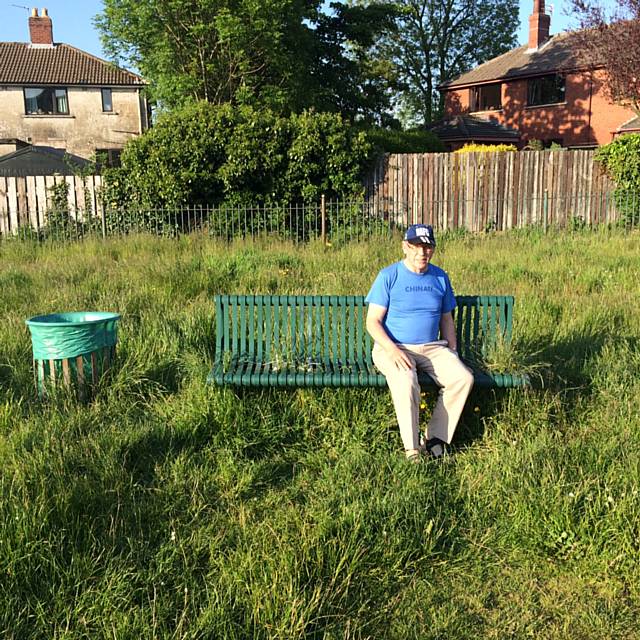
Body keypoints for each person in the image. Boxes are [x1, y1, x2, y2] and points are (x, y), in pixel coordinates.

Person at [365, 224, 474, 462]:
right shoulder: (388, 276)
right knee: (406, 382)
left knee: (463, 378)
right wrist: (392, 350)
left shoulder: (439, 277)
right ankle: (412, 450)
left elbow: (446, 318)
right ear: (405, 247)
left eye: (427, 247)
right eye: (416, 246)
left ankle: (435, 438)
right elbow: (372, 322)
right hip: (393, 347)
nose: (422, 252)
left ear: (432, 249)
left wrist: (452, 351)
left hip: (432, 348)